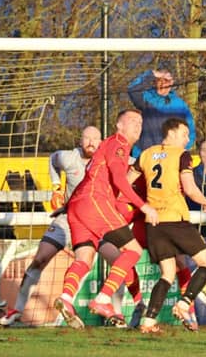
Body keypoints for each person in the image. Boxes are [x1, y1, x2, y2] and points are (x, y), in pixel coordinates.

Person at [0, 126, 142, 328]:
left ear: (102, 141)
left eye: (96, 138)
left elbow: (137, 167)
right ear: (79, 140)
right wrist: (57, 187)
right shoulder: (68, 157)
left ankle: (117, 313)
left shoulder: (112, 156)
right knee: (40, 259)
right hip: (69, 217)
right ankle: (18, 308)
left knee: (120, 261)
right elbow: (52, 159)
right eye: (87, 138)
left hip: (98, 217)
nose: (91, 142)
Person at [54, 109, 158, 327]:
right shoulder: (119, 143)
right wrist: (144, 206)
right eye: (132, 121)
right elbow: (120, 180)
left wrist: (68, 205)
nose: (138, 126)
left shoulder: (110, 146)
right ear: (119, 126)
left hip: (78, 205)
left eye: (140, 122)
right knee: (133, 251)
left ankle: (65, 298)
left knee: (83, 259)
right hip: (95, 201)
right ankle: (102, 299)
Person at [127, 117, 206, 334]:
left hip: (154, 223)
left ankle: (148, 322)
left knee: (167, 273)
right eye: (185, 134)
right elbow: (190, 188)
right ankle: (184, 304)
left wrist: (141, 204)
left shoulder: (145, 154)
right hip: (175, 220)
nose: (187, 139)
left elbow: (126, 182)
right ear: (173, 132)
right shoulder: (182, 156)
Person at [127, 69, 196, 158]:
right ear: (155, 81)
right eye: (161, 80)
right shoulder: (146, 97)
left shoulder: (180, 104)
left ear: (172, 83)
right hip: (145, 155)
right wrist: (152, 73)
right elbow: (132, 89)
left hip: (170, 157)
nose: (164, 84)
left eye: (167, 81)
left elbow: (191, 131)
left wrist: (180, 150)